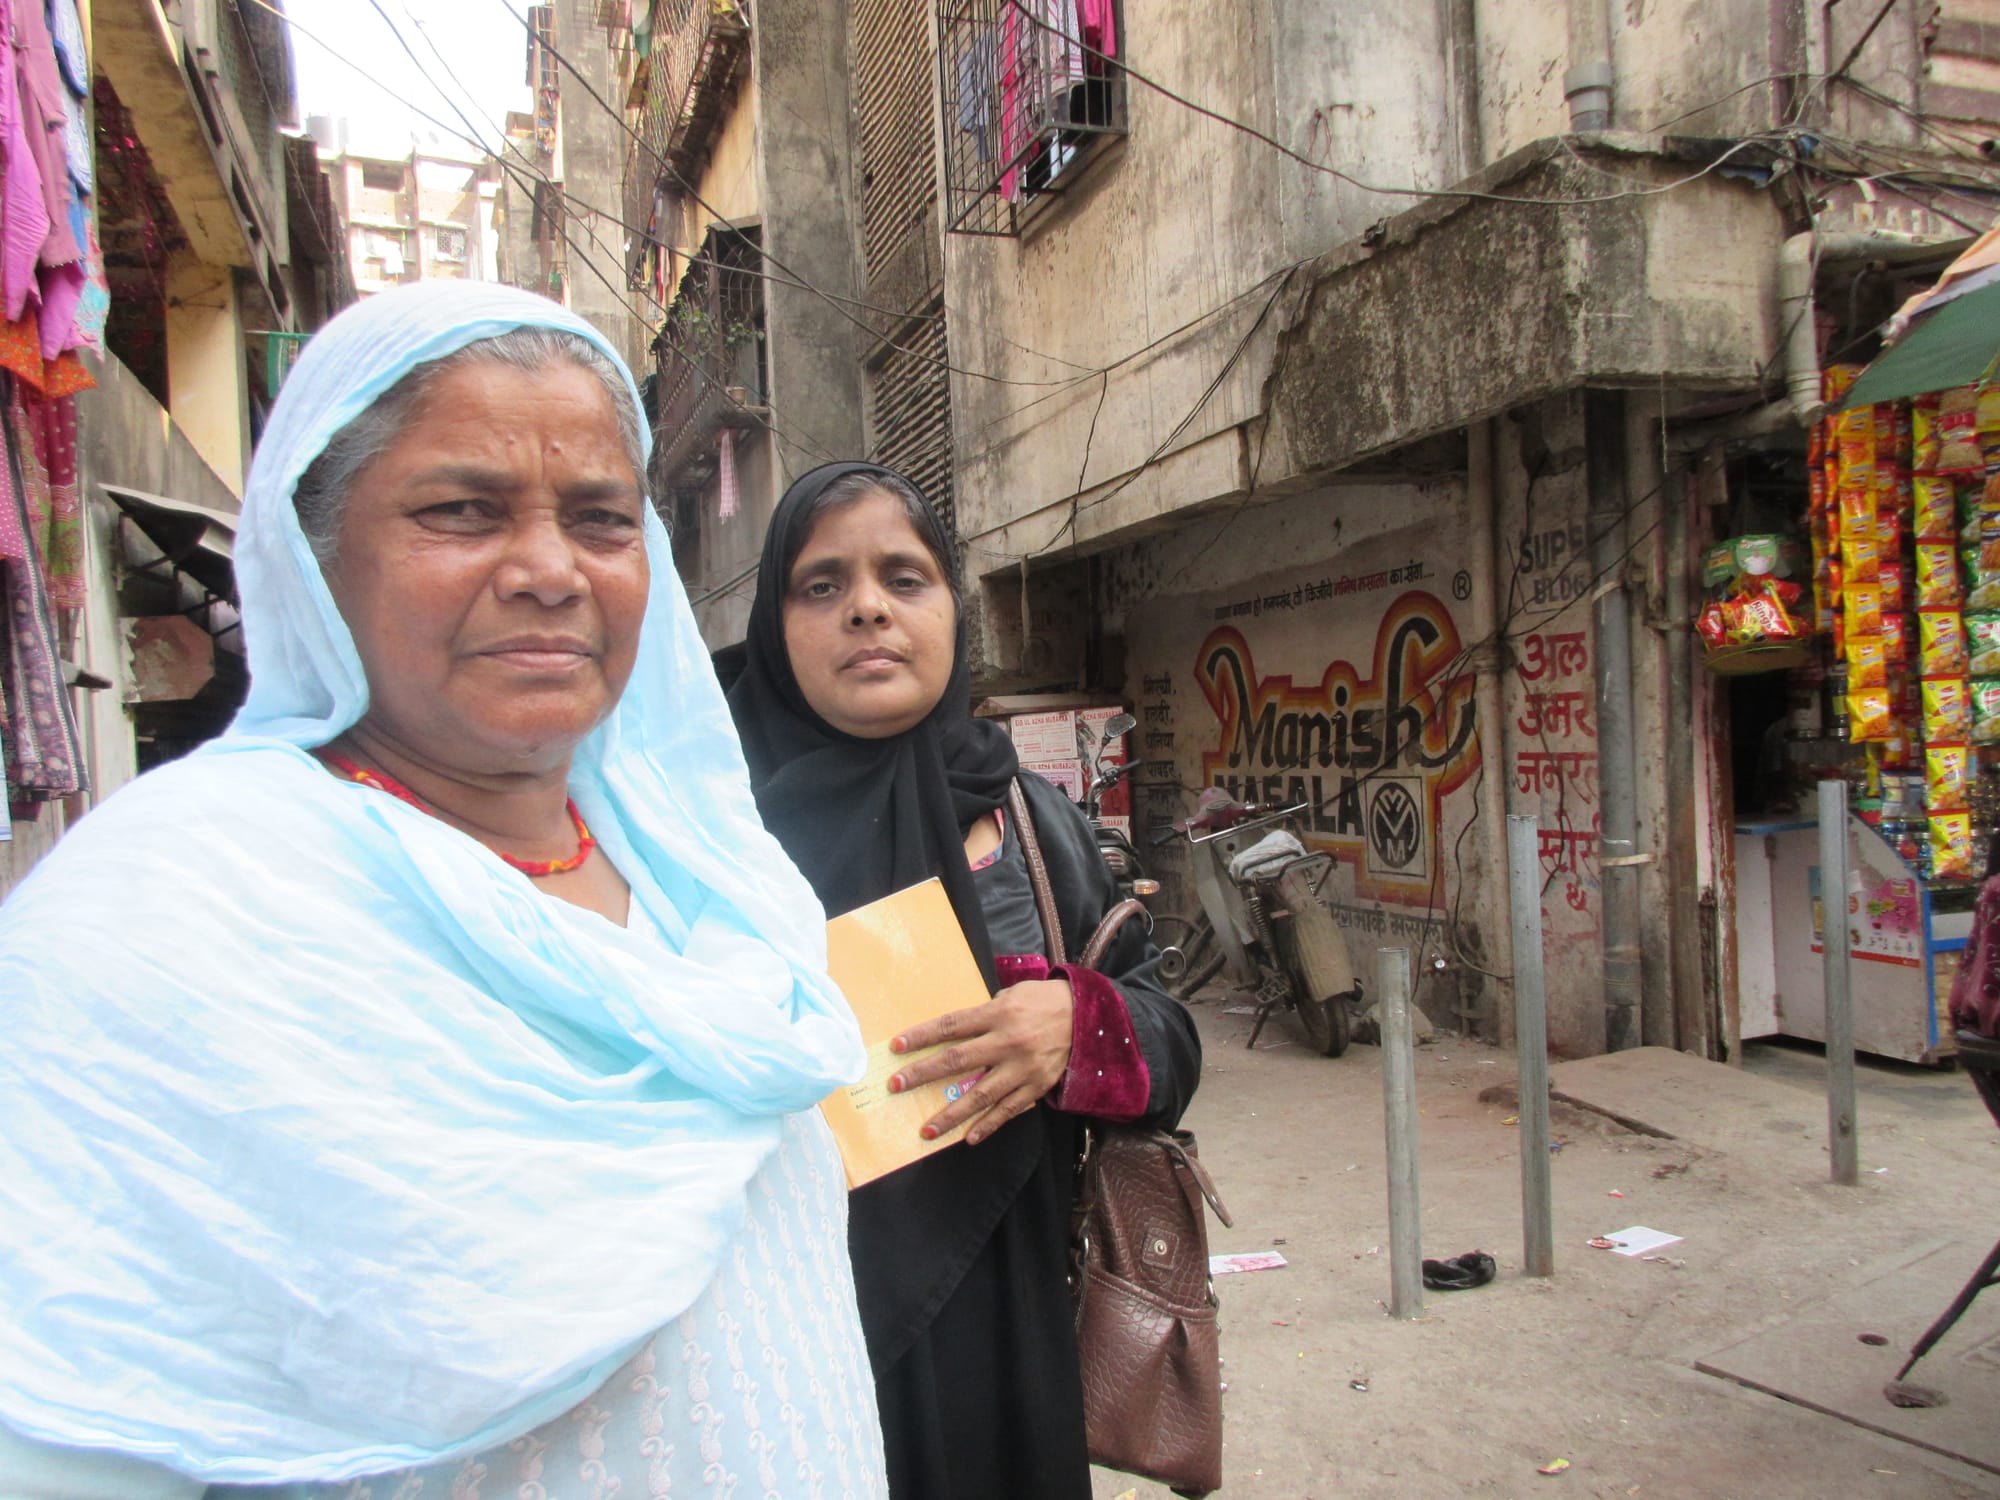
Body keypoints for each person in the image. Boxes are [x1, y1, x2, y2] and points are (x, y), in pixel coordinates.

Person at [0, 284, 887, 1498]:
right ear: (313, 558)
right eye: (461, 510)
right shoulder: (160, 922)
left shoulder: (715, 874)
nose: (548, 571)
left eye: (600, 518)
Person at [727, 462, 1202, 1499]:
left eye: (904, 578)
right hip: (781, 1335)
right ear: (773, 622)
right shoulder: (710, 836)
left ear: (951, 610)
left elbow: (1172, 1042)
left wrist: (1077, 1031)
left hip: (1007, 1320)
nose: (866, 608)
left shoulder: (1033, 822)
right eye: (821, 585)